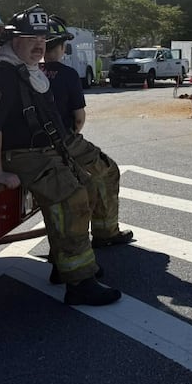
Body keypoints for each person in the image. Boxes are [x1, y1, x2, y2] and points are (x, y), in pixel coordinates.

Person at [0, 5, 121, 307]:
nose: (39, 45)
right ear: (14, 40)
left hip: (50, 147)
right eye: (31, 37)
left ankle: (66, 263)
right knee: (71, 198)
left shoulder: (29, 70)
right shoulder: (1, 75)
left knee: (89, 183)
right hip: (24, 154)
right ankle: (80, 282)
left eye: (42, 38)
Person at [43, 15, 132, 268]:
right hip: (64, 140)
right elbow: (78, 118)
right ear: (61, 47)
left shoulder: (25, 72)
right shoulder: (68, 75)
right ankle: (105, 233)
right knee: (107, 170)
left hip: (30, 144)